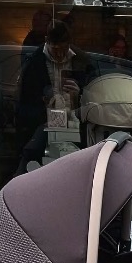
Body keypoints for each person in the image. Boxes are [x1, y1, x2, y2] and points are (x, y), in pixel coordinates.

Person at [16, 20, 94, 175]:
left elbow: (94, 93)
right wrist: (44, 101)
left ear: (69, 43)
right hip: (43, 121)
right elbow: (24, 100)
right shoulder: (34, 61)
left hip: (75, 119)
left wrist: (80, 93)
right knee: (34, 153)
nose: (59, 54)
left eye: (64, 49)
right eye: (55, 49)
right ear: (47, 42)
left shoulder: (82, 60)